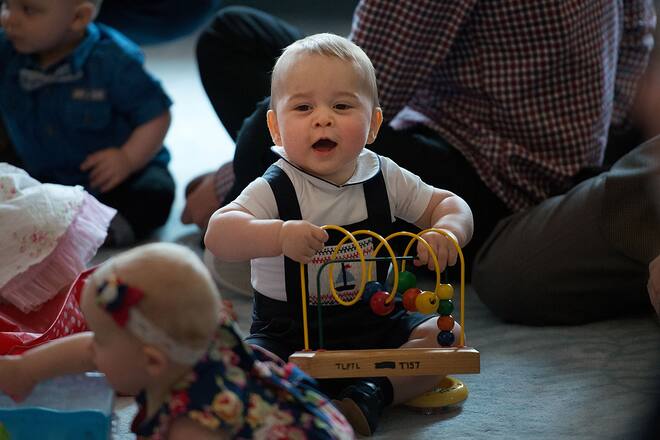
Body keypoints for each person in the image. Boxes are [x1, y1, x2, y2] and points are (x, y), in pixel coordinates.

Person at [186, 1, 660, 322]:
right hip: (570, 155)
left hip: (489, 175)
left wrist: (234, 181)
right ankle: (297, 177)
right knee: (239, 36)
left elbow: (364, 85)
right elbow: (636, 53)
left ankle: (305, 189)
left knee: (265, 118)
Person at [204, 33, 474, 436]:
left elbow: (450, 203)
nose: (323, 118)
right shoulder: (276, 187)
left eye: (342, 106)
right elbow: (218, 235)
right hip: (288, 335)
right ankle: (305, 393)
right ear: (275, 128)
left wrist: (445, 230)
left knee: (445, 336)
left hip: (377, 321)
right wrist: (277, 235)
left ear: (373, 125)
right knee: (238, 366)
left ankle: (370, 393)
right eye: (303, 107)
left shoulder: (384, 176)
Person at [0, 242, 355, 439]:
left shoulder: (193, 427)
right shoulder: (184, 344)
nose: (92, 347)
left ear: (151, 362)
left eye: (101, 340)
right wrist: (24, 370)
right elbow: (91, 351)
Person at [0, 0, 175, 246]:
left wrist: (126, 158)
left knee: (154, 193)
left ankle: (100, 233)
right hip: (38, 173)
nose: (8, 18)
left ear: (79, 18)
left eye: (28, 10)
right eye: (7, 5)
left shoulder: (114, 60)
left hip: (108, 180)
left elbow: (157, 116)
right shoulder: (7, 50)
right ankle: (46, 223)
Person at [0, 163, 115, 312]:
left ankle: (105, 311)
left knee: (74, 293)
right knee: (73, 291)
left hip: (23, 225)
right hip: (29, 215)